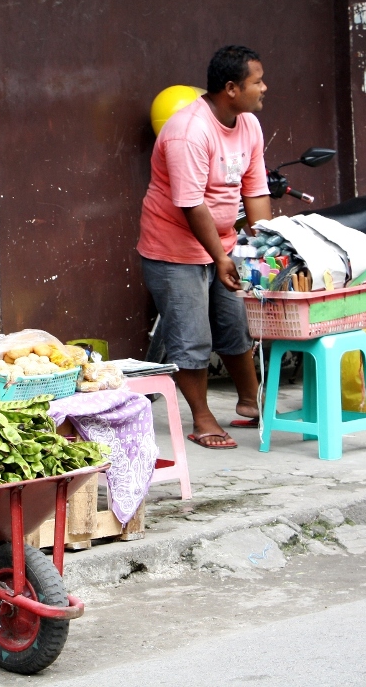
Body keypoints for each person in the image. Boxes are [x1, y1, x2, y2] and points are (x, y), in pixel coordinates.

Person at [137, 45, 271, 449]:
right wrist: (220, 257)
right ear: (231, 88)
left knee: (235, 326)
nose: (264, 88)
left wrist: (263, 252)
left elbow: (256, 190)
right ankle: (202, 418)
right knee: (191, 337)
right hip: (174, 250)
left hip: (225, 245)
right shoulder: (188, 131)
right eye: (257, 81)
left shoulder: (248, 125)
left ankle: (251, 403)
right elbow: (190, 202)